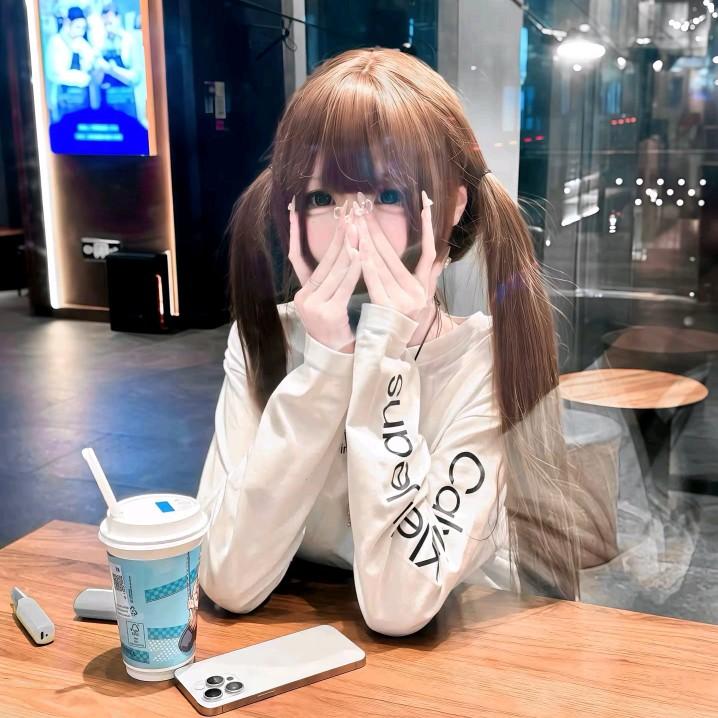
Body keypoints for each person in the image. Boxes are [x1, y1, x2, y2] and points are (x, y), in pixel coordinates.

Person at [196, 47, 584, 637]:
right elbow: (227, 579)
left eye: (389, 195)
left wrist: (385, 358)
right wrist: (325, 366)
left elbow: (400, 606)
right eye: (322, 198)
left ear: (451, 207)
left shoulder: (486, 361)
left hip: (465, 648)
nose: (354, 226)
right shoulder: (266, 340)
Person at [44, 6, 96, 122]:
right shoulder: (55, 42)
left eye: (83, 28)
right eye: (78, 27)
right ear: (68, 23)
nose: (81, 32)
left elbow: (92, 60)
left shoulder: (82, 43)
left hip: (82, 101)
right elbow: (55, 74)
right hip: (62, 101)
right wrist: (83, 78)